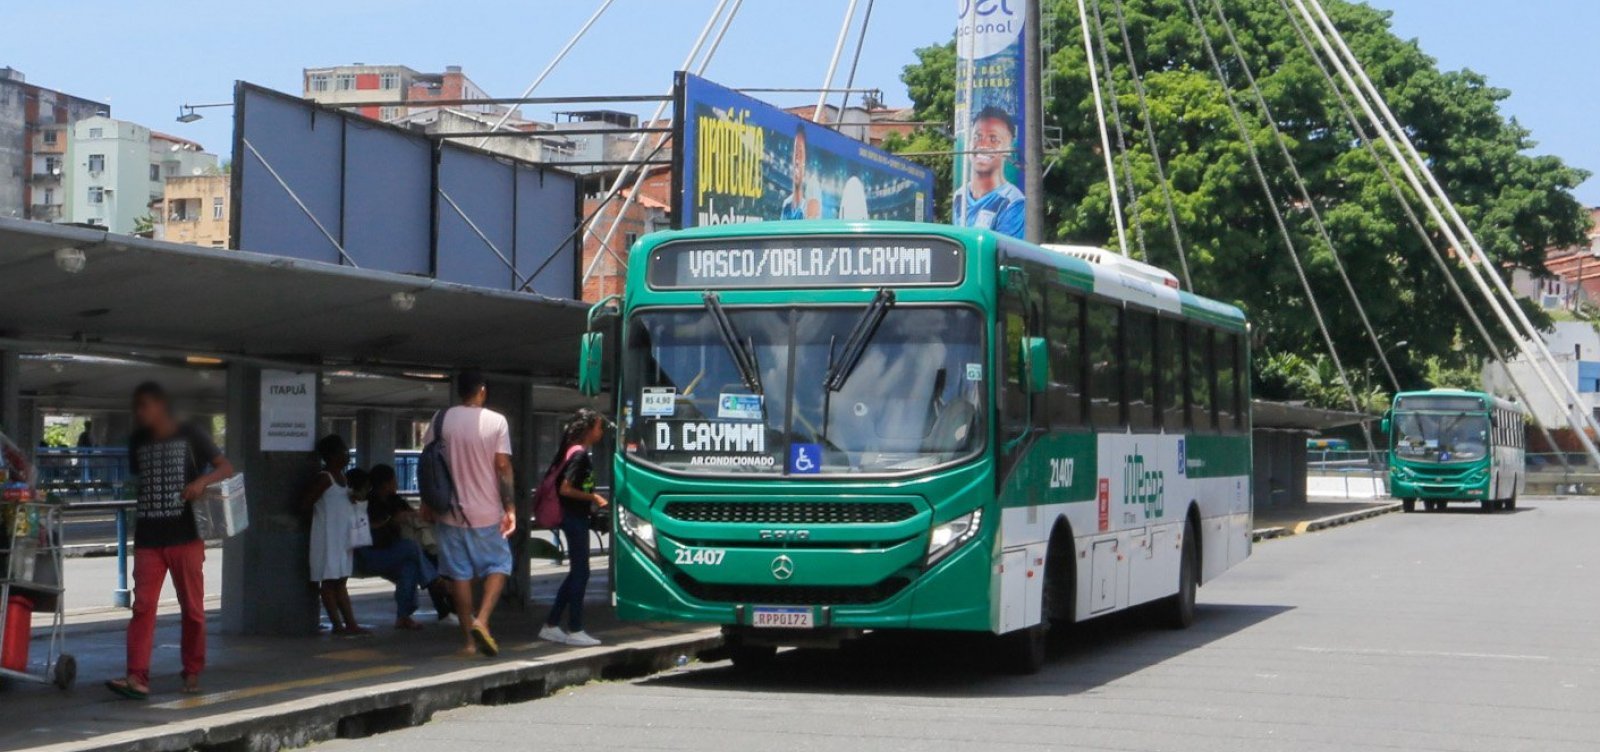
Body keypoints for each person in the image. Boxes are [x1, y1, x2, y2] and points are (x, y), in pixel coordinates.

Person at [106, 382, 233, 700]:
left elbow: (225, 467)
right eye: (136, 407)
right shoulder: (138, 441)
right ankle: (137, 677)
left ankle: (192, 671)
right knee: (143, 608)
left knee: (192, 609)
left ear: (161, 404)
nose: (139, 413)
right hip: (149, 537)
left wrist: (201, 481)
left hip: (186, 535)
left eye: (144, 406)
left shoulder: (191, 433)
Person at [426, 369, 516, 657]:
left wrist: (427, 502)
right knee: (500, 565)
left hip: (448, 512)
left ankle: (467, 643)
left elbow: (428, 463)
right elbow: (502, 466)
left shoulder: (440, 420)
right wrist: (510, 507)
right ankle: (483, 620)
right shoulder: (496, 421)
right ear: (482, 390)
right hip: (487, 512)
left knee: (459, 576)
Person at [539, 408, 608, 647]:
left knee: (578, 572)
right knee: (581, 572)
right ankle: (575, 628)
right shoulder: (579, 455)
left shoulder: (570, 451)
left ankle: (551, 624)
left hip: (574, 517)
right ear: (588, 430)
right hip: (574, 518)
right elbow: (566, 489)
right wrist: (594, 499)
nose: (601, 432)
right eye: (599, 427)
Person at [357, 464, 448, 629]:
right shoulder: (369, 503)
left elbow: (414, 515)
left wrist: (413, 516)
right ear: (385, 483)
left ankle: (404, 616)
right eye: (393, 480)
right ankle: (433, 580)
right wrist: (391, 520)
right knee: (410, 547)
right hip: (371, 553)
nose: (396, 484)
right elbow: (370, 527)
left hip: (392, 551)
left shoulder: (395, 501)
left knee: (410, 567)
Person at [302, 435, 366, 636]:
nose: (346, 455)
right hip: (328, 538)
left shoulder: (342, 478)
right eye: (343, 452)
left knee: (340, 580)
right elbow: (306, 503)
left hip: (341, 537)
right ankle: (339, 625)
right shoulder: (325, 478)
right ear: (331, 455)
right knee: (329, 582)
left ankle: (350, 623)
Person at [959, 106, 1026, 237]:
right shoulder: (959, 196)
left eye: (993, 139)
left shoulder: (1013, 202)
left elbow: (1006, 253)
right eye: (977, 137)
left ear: (1008, 149)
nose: (983, 145)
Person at [780, 126, 822, 221]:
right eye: (796, 153)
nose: (797, 160)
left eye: (801, 153)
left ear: (805, 163)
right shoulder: (786, 205)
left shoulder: (809, 207)